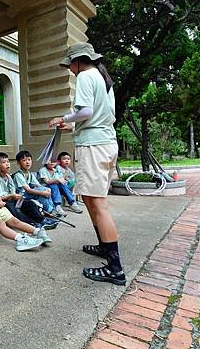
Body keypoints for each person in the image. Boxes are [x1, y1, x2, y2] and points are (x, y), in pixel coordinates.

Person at [48, 42, 125, 285]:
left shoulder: (85, 76)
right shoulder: (104, 79)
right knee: (93, 200)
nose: (69, 69)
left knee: (98, 204)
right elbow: (99, 116)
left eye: (70, 64)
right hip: (105, 142)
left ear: (79, 60)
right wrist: (72, 125)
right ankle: (104, 247)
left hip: (94, 147)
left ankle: (115, 268)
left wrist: (65, 117)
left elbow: (86, 112)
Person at [0, 155, 49, 250]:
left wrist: (0, 202)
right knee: (1, 224)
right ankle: (20, 240)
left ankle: (37, 231)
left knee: (15, 221)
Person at [0, 152, 58, 229]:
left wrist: (15, 196)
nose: (7, 164)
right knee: (11, 208)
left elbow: (13, 191)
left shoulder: (9, 177)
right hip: (4, 201)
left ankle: (42, 220)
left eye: (8, 161)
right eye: (3, 162)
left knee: (29, 204)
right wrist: (11, 196)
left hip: (14, 199)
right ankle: (31, 223)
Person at [13, 150, 55, 215]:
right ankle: (50, 210)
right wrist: (43, 192)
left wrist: (46, 190)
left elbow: (38, 185)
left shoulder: (30, 174)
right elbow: (28, 190)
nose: (27, 162)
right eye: (24, 160)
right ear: (18, 163)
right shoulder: (18, 175)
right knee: (42, 192)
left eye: (29, 160)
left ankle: (51, 209)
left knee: (46, 189)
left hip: (27, 195)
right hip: (20, 196)